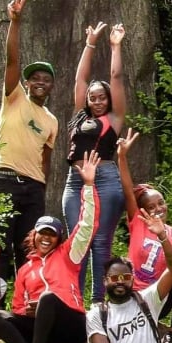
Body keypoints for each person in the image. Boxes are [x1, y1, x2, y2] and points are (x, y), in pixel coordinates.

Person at [0, 150, 102, 343]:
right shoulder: (25, 269)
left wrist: (89, 185)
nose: (46, 238)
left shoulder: (68, 255)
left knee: (48, 298)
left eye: (52, 235)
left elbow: (87, 226)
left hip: (70, 327)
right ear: (34, 235)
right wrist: (29, 313)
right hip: (41, 329)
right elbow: (18, 307)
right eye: (42, 233)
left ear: (58, 239)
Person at [0, 0, 58, 275]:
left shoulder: (51, 120)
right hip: (5, 180)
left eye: (46, 79)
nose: (40, 82)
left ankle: (25, 298)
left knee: (28, 249)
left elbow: (46, 159)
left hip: (33, 189)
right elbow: (11, 61)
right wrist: (15, 23)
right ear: (27, 83)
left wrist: (41, 188)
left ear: (51, 86)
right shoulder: (14, 97)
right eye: (35, 78)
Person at [64, 22, 129, 303]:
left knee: (100, 243)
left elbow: (116, 76)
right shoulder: (80, 115)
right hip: (75, 180)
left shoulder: (113, 118)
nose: (98, 102)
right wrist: (90, 43)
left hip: (105, 179)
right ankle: (73, 301)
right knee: (77, 240)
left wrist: (115, 46)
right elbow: (80, 80)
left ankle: (99, 303)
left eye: (102, 98)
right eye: (93, 98)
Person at [118, 133, 172, 343]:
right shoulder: (137, 223)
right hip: (134, 296)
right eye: (151, 206)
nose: (158, 209)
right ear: (143, 210)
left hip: (160, 299)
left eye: (161, 203)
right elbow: (127, 188)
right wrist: (122, 156)